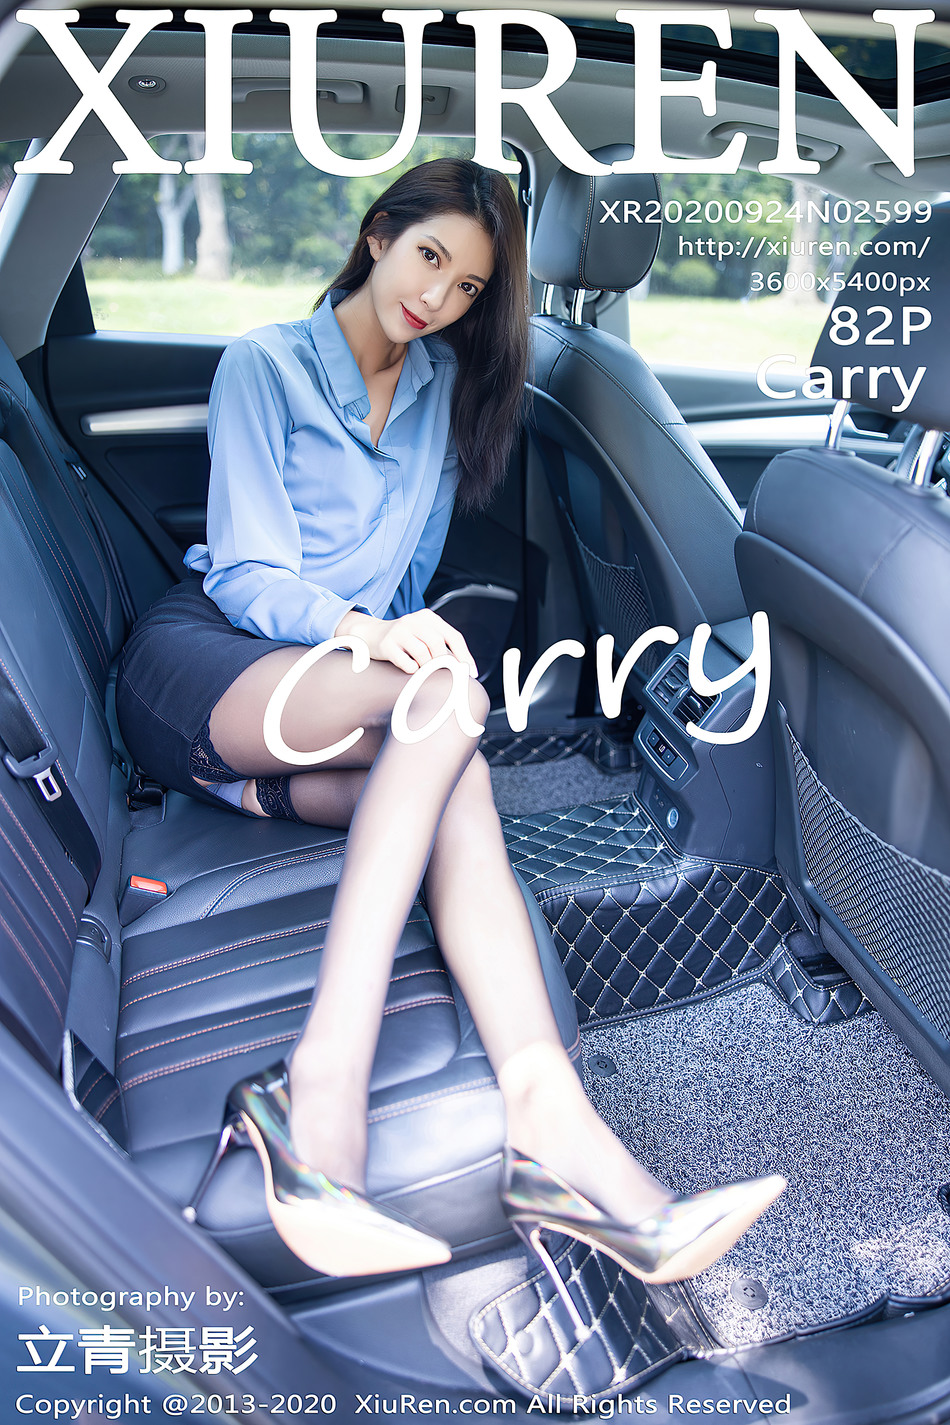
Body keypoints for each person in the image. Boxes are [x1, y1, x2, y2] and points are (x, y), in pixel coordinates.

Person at [116, 158, 784, 1333]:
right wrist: (370, 638)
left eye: (468, 286)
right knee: (446, 705)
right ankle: (321, 1090)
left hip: (328, 687)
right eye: (427, 258)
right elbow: (253, 569)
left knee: (452, 757)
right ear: (378, 236)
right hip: (211, 665)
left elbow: (409, 574)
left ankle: (556, 1129)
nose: (436, 298)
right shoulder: (265, 364)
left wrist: (392, 642)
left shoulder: (439, 391)